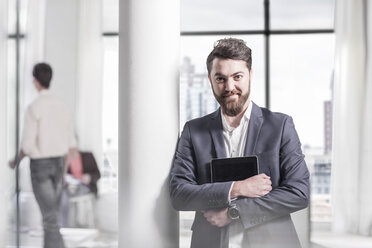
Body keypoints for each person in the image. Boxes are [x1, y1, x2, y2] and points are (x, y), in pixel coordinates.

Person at [169, 38, 310, 248]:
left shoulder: (280, 126)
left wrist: (234, 212)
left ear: (250, 75)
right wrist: (237, 188)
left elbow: (299, 192)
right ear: (210, 79)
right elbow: (180, 194)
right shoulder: (193, 131)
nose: (229, 87)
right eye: (220, 78)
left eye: (237, 77)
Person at [10, 63, 77, 248]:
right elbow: (71, 145)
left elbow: (28, 144)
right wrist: (63, 172)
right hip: (58, 164)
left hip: (40, 166)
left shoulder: (34, 107)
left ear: (35, 81)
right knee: (52, 218)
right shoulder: (63, 106)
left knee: (50, 219)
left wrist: (16, 160)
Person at [60, 149, 101, 227]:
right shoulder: (63, 159)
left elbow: (98, 174)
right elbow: (61, 180)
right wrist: (67, 162)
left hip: (85, 186)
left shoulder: (87, 156)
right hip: (69, 187)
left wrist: (89, 177)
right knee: (62, 198)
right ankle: (63, 226)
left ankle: (81, 224)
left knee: (81, 200)